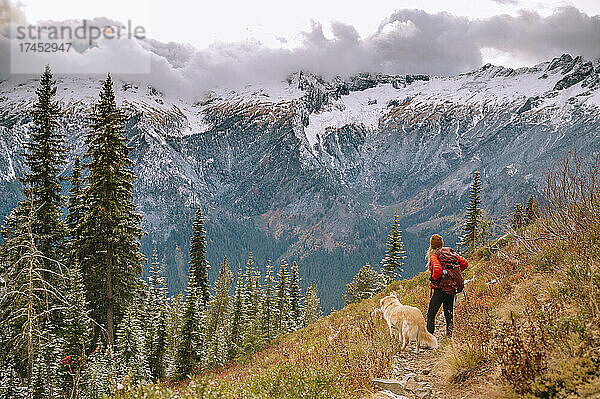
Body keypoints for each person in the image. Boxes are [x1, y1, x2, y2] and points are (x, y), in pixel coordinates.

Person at [425, 234, 468, 337]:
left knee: (431, 314)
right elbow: (465, 263)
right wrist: (452, 274)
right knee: (448, 312)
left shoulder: (435, 256)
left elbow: (438, 270)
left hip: (440, 289)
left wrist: (434, 278)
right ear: (442, 244)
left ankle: (429, 338)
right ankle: (449, 336)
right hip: (451, 288)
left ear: (432, 246)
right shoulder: (451, 253)